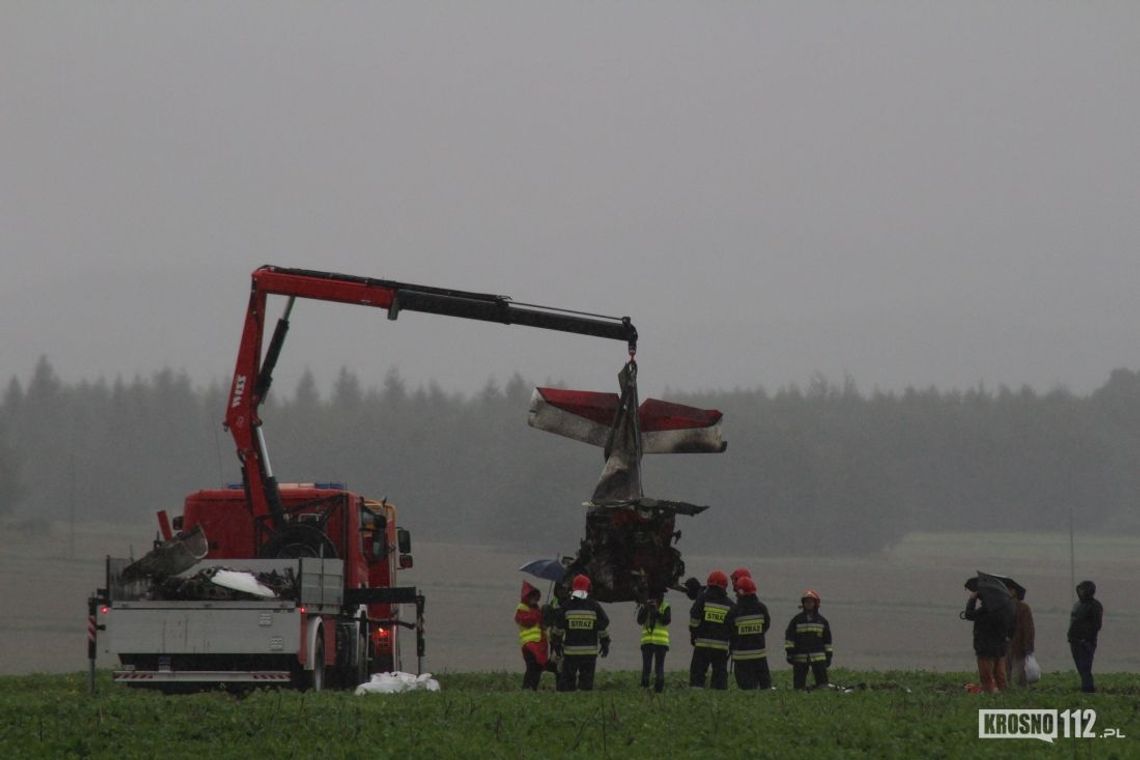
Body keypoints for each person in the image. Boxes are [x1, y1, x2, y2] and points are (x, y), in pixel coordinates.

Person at [550, 574, 610, 692]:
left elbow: (558, 629)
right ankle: (585, 703)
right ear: (589, 588)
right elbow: (603, 625)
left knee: (567, 684)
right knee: (586, 684)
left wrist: (556, 645)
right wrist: (605, 643)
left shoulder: (566, 606)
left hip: (571, 653)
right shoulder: (594, 606)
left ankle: (568, 703)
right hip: (590, 652)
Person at [962, 578, 1013, 693]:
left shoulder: (985, 610)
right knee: (1000, 676)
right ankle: (1005, 698)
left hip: (985, 648)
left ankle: (989, 698)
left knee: (986, 677)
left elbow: (969, 615)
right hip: (1000, 648)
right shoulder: (1004, 610)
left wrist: (972, 600)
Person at [688, 570, 735, 689]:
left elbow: (694, 618)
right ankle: (718, 699)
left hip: (702, 645)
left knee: (697, 674)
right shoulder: (730, 604)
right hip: (721, 647)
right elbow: (733, 627)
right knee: (719, 676)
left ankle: (695, 698)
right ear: (724, 586)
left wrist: (694, 636)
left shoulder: (702, 599)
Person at [728, 575, 772, 690]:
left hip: (741, 657)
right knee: (765, 685)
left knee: (746, 688)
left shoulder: (735, 610)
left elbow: (729, 630)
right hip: (759, 654)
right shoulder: (761, 608)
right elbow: (766, 625)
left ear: (740, 592)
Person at [784, 589, 832, 690]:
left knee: (822, 684)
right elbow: (789, 637)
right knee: (798, 685)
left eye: (811, 602)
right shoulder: (796, 620)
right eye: (806, 602)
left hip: (819, 658)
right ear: (803, 603)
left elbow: (827, 641)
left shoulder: (822, 621)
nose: (808, 604)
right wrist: (790, 653)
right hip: (800, 657)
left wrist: (828, 656)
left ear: (816, 603)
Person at [1067, 580, 1103, 694]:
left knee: (1085, 668)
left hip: (1086, 642)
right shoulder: (1078, 605)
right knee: (1081, 668)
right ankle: (1086, 689)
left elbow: (1096, 625)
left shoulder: (1095, 606)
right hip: (1075, 641)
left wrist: (1085, 638)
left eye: (1082, 589)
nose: (1080, 592)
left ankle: (1088, 690)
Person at [514, 581, 550, 690]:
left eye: (535, 596)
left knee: (538, 667)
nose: (534, 599)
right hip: (529, 645)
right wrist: (538, 616)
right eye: (532, 596)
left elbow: (541, 625)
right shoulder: (522, 608)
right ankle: (527, 688)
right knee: (532, 667)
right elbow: (524, 620)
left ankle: (532, 688)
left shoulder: (536, 608)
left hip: (539, 644)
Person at [636, 594, 670, 692]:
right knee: (646, 667)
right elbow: (639, 620)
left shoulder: (665, 606)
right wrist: (646, 609)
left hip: (660, 642)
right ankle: (644, 687)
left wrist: (656, 612)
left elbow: (666, 620)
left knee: (659, 667)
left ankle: (658, 689)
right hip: (648, 641)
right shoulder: (645, 606)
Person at [1007, 584, 1036, 687]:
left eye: (1009, 589)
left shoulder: (1023, 608)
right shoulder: (1003, 607)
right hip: (1004, 645)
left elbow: (1028, 629)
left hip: (1019, 646)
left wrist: (1028, 647)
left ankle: (1020, 691)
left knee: (1020, 674)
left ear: (1015, 592)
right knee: (1006, 673)